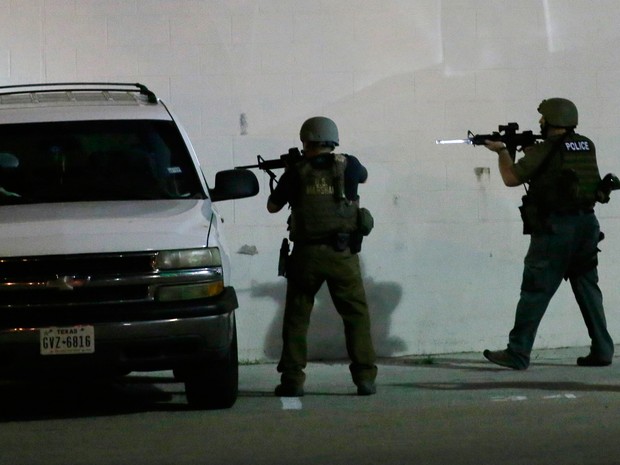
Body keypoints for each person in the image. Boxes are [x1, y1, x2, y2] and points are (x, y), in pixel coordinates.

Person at [482, 98, 614, 370]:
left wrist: (502, 152)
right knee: (588, 288)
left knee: (535, 290)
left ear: (553, 121)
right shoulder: (586, 144)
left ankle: (517, 352)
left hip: (556, 229)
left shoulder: (547, 149)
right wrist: (534, 152)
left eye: (543, 118)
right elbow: (562, 174)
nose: (540, 122)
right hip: (586, 226)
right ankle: (602, 349)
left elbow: (511, 178)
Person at [267, 116, 378, 396]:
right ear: (333, 140)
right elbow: (363, 176)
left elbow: (272, 206)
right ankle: (364, 378)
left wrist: (291, 171)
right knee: (355, 315)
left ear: (306, 141)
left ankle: (292, 380)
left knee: (296, 316)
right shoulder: (348, 164)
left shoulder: (296, 171)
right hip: (343, 255)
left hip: (306, 256)